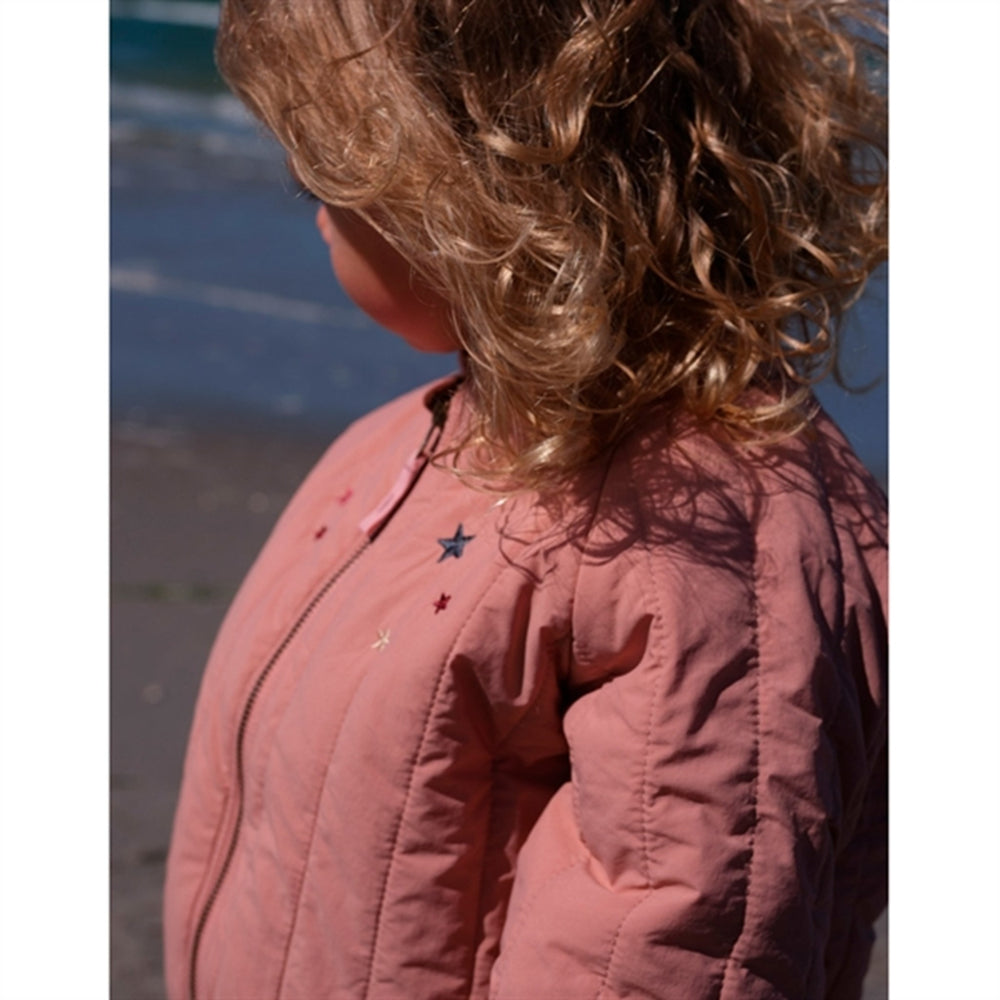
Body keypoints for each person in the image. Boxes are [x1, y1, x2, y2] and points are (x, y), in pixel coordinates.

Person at [163, 0, 888, 997]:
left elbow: (669, 944)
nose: (319, 212)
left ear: (480, 194)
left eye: (327, 177)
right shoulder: (409, 439)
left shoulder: (716, 541)